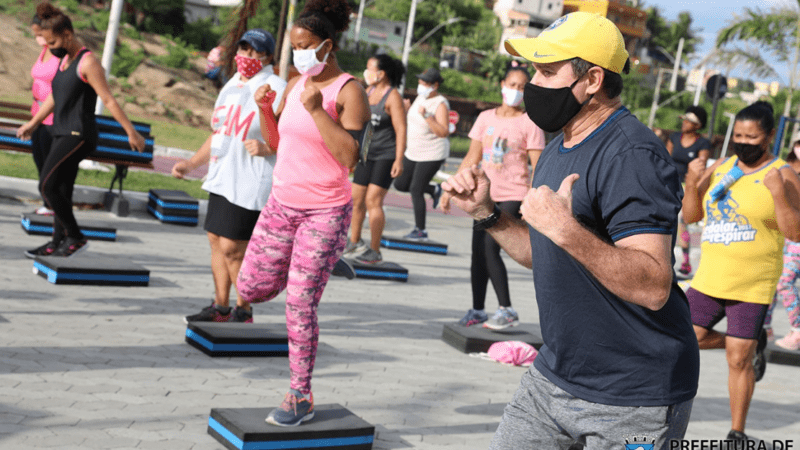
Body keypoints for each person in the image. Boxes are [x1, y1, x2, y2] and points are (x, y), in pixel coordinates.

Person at [442, 12, 699, 449]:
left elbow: (654, 284)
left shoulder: (632, 154)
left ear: (593, 79)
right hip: (554, 375)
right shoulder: (561, 143)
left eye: (546, 71)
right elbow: (539, 250)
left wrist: (566, 228)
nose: (532, 85)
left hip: (633, 394)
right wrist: (487, 213)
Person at [236, 0, 370, 427]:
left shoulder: (348, 90)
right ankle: (324, 261)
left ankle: (300, 396)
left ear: (327, 46)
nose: (298, 53)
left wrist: (317, 110)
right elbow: (278, 144)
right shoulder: (295, 84)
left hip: (324, 211)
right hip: (281, 204)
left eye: (305, 45)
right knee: (252, 287)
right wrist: (263, 109)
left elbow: (350, 158)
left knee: (298, 302)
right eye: (293, 46)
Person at [682, 101, 800, 442]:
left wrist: (778, 194)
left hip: (753, 282)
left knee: (738, 360)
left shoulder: (784, 174)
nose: (744, 142)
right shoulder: (721, 167)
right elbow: (690, 216)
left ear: (770, 137)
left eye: (752, 136)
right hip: (710, 276)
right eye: (738, 135)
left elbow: (794, 232)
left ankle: (737, 432)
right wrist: (692, 183)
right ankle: (751, 342)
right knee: (688, 338)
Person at [172, 29, 286, 324]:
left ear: (268, 57)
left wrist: (268, 146)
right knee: (215, 239)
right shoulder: (231, 84)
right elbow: (219, 133)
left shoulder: (276, 87)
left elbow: (291, 137)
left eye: (254, 51)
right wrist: (191, 164)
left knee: (234, 247)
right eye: (243, 49)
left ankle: (244, 309)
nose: (246, 57)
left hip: (251, 180)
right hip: (223, 174)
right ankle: (221, 306)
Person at [18, 2, 145, 258]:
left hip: (79, 133)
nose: (50, 48)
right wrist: (32, 123)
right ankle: (57, 241)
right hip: (61, 131)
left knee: (47, 186)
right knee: (61, 190)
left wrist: (131, 132)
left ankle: (75, 236)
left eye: (52, 42)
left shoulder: (88, 62)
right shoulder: (65, 60)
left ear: (67, 35)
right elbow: (54, 98)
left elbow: (108, 99)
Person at [441, 66, 545, 330]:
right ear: (502, 85)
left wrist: (531, 201)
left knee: (490, 247)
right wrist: (450, 190)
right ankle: (478, 309)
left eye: (522, 87)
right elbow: (471, 158)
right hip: (483, 195)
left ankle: (506, 309)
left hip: (513, 194)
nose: (515, 91)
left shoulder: (531, 122)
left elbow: (539, 166)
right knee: (478, 253)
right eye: (512, 84)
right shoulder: (486, 118)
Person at [341, 54, 406, 263]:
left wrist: (399, 160)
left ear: (382, 73)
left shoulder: (392, 96)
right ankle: (354, 240)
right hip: (367, 154)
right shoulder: (367, 92)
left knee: (373, 201)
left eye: (370, 68)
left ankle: (375, 250)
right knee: (356, 199)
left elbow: (401, 129)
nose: (366, 73)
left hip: (386, 155)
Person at [392, 67, 449, 240]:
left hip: (432, 153)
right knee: (401, 184)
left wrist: (429, 118)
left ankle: (420, 231)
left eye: (425, 83)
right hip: (414, 151)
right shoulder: (420, 98)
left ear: (435, 85)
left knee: (416, 189)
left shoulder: (440, 103)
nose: (421, 85)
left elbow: (444, 131)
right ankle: (433, 189)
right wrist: (406, 108)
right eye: (420, 82)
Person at [763, 140, 800, 350]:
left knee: (785, 281)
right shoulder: (786, 168)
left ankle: (797, 330)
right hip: (783, 232)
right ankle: (765, 326)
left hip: (798, 236)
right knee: (774, 276)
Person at [666, 105, 711, 277]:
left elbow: (701, 167)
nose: (685, 122)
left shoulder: (702, 143)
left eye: (689, 121)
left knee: (683, 224)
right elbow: (664, 158)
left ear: (697, 125)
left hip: (687, 187)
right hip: (669, 184)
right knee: (666, 222)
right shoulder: (674, 137)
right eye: (684, 119)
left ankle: (685, 262)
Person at [28, 13, 59, 217]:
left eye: (39, 34)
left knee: (49, 164)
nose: (37, 38)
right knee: (39, 160)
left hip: (52, 118)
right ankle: (47, 201)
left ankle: (53, 204)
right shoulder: (43, 52)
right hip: (36, 114)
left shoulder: (60, 54)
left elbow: (58, 88)